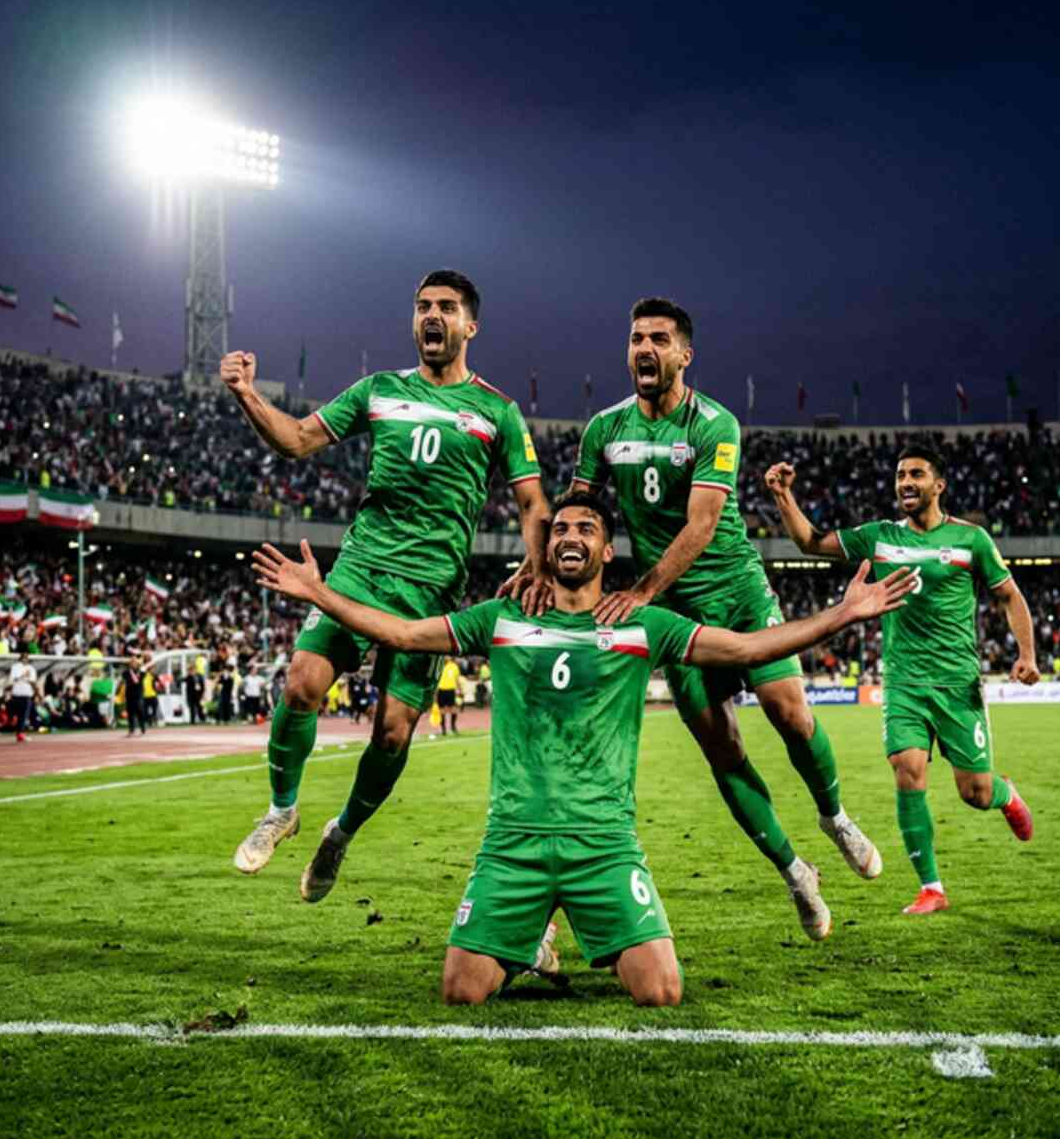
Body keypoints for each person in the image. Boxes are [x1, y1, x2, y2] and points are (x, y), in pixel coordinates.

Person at [251, 495, 914, 999]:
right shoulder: (502, 618)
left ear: (607, 552)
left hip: (604, 846)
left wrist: (843, 614)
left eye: (586, 530)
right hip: (513, 844)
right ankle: (526, 938)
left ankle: (549, 933)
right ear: (545, 549)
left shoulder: (643, 625)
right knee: (460, 991)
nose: (570, 537)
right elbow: (400, 634)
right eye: (561, 529)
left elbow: (745, 647)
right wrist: (319, 593)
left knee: (662, 990)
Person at [556, 297, 880, 937]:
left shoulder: (715, 424)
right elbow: (578, 512)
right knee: (722, 748)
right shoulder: (604, 429)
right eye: (636, 338)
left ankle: (835, 815)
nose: (644, 349)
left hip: (736, 592)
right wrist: (540, 567)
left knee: (791, 713)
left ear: (685, 355)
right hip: (674, 611)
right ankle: (796, 873)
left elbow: (702, 525)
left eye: (659, 339)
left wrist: (643, 589)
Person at [223, 269, 553, 883]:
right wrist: (246, 393)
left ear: (470, 326)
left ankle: (341, 831)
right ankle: (280, 811)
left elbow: (533, 502)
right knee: (301, 684)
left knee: (395, 733)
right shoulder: (378, 390)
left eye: (446, 307)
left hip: (430, 588)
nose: (432, 315)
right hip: (361, 569)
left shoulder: (498, 411)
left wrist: (536, 563)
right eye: (423, 306)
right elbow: (296, 440)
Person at [765, 442, 1038, 915]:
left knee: (975, 792)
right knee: (907, 770)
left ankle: (1004, 794)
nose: (905, 483)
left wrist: (1027, 654)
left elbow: (1010, 596)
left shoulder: (971, 540)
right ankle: (932, 887)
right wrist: (783, 497)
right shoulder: (880, 537)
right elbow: (810, 542)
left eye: (915, 474)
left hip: (957, 685)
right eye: (899, 476)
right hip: (904, 684)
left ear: (939, 485)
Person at [8, 651, 37, 743]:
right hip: (17, 693)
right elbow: (13, 679)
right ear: (20, 658)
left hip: (27, 694)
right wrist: (23, 676)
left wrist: (35, 693)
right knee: (16, 715)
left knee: (24, 715)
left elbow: (33, 681)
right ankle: (18, 732)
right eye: (23, 657)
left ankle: (20, 733)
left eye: (26, 657)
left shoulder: (31, 668)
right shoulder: (15, 667)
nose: (25, 659)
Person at [435, 656, 462, 735]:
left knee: (454, 709)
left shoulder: (454, 666)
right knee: (442, 710)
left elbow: (457, 679)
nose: (446, 657)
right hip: (441, 690)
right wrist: (435, 692)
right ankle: (443, 730)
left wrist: (460, 689)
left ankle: (453, 727)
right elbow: (436, 679)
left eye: (448, 656)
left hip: (451, 690)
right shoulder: (439, 666)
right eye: (445, 656)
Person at [122, 655, 147, 737]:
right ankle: (131, 730)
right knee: (130, 713)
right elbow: (130, 680)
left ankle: (142, 729)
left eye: (135, 662)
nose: (133, 663)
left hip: (138, 694)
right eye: (132, 662)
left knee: (140, 712)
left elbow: (141, 678)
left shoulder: (141, 672)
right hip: (129, 694)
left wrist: (141, 668)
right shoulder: (126, 672)